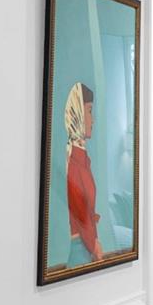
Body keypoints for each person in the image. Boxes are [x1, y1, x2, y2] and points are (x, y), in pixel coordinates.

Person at [63, 82, 102, 265]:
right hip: (81, 251)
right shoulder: (75, 162)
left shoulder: (82, 158)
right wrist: (94, 245)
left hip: (86, 248)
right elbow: (80, 214)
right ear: (78, 112)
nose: (92, 119)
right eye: (89, 111)